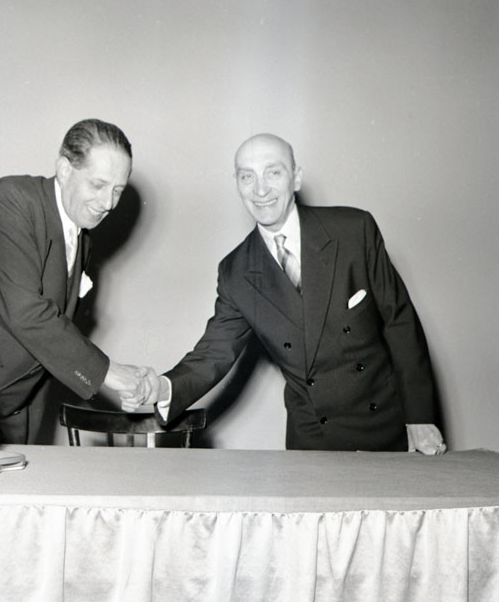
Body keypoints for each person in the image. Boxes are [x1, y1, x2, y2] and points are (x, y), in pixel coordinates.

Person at [125, 133, 446, 454]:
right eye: (247, 177)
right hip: (313, 435)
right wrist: (164, 387)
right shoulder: (236, 271)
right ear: (237, 184)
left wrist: (419, 417)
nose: (260, 190)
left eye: (273, 173)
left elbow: (400, 322)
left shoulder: (353, 230)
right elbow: (214, 353)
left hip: (384, 422)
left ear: (297, 178)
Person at [0, 118, 146, 443]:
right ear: (64, 170)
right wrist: (110, 373)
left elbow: (43, 349)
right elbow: (26, 313)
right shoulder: (11, 199)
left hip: (8, 409)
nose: (108, 203)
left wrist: (26, 435)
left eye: (117, 190)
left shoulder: (81, 237)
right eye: (98, 185)